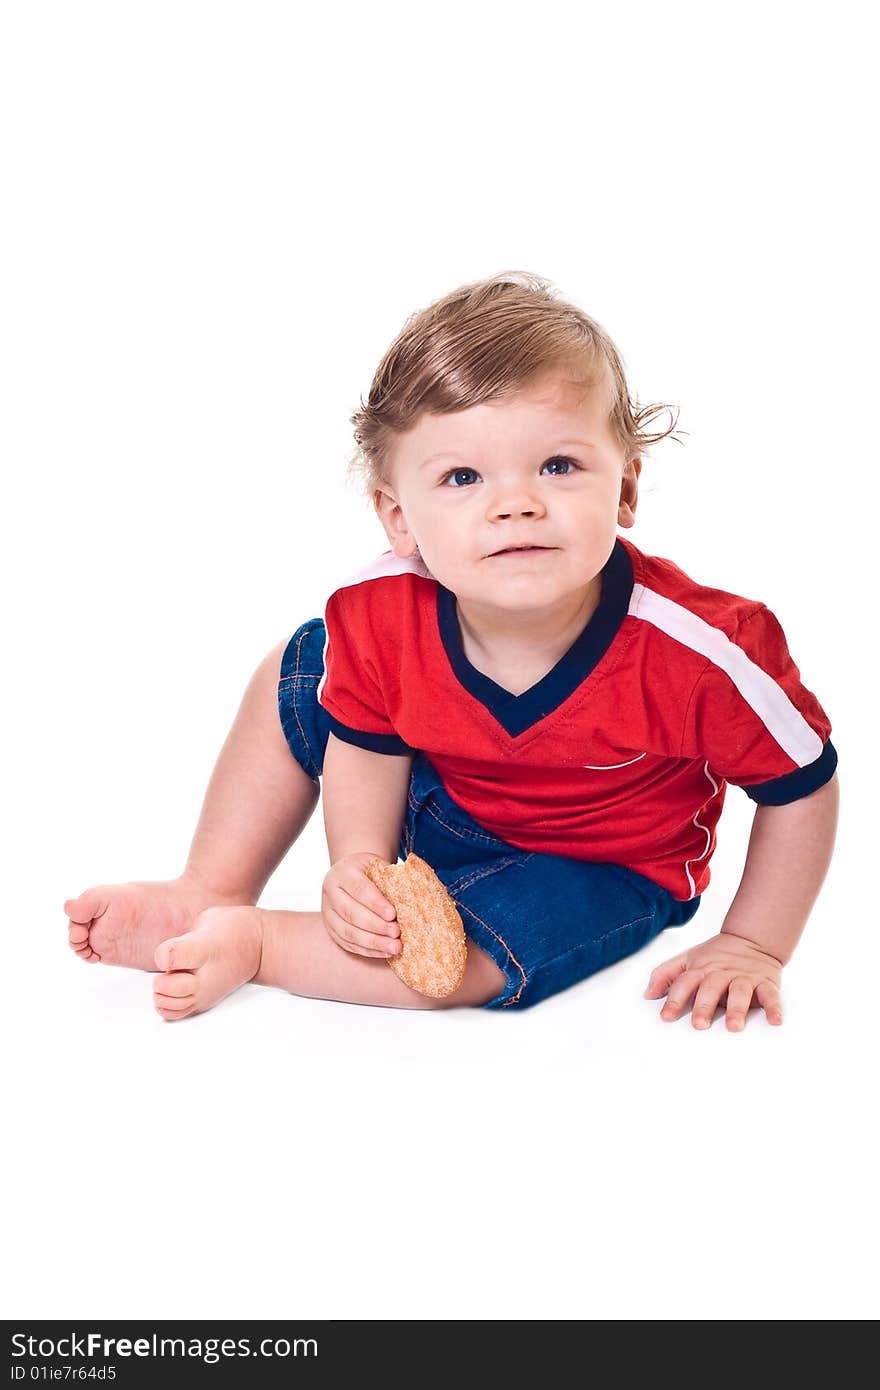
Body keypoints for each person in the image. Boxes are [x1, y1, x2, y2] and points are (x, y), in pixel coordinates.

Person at [64, 270, 839, 1029]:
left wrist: (753, 942)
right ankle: (211, 886)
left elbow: (799, 787)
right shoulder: (380, 610)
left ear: (626, 488)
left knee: (462, 965)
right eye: (463, 477)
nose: (516, 504)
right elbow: (365, 742)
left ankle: (262, 942)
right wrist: (359, 865)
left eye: (559, 467)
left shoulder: (702, 650)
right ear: (399, 519)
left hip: (596, 862)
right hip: (436, 796)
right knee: (305, 662)